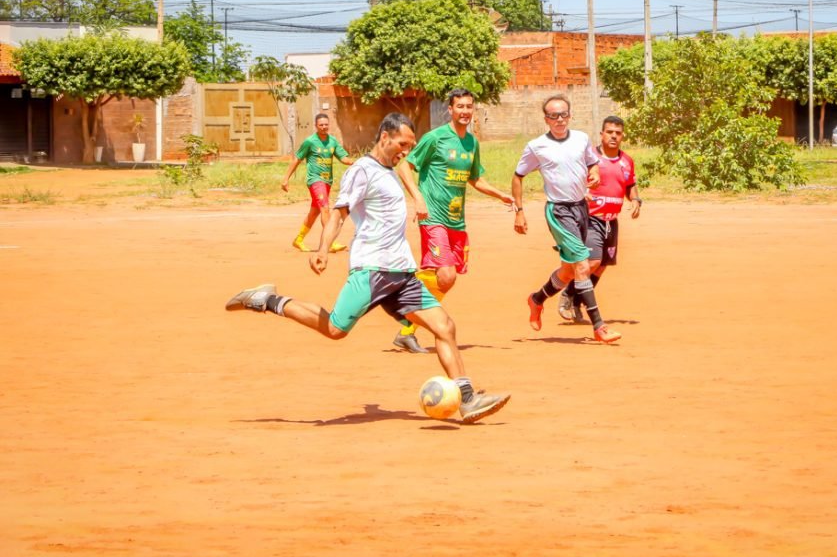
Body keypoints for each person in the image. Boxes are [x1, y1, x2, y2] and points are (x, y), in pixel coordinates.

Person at [226, 113, 510, 424]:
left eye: (411, 145)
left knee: (445, 327)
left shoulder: (392, 170)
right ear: (385, 137)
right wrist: (322, 249)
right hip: (372, 270)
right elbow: (339, 213)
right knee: (335, 329)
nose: (406, 150)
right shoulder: (362, 171)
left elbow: (406, 174)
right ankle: (268, 300)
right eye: (403, 143)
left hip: (401, 272)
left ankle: (467, 398)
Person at [392, 88, 513, 354]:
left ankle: (406, 325)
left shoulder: (472, 143)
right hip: (433, 216)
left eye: (469, 106)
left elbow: (474, 178)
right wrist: (418, 199)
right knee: (445, 273)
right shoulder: (435, 138)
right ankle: (405, 299)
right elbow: (404, 166)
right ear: (450, 109)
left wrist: (500, 194)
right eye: (460, 106)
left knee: (447, 279)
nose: (465, 111)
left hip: (456, 221)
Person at [511, 95, 622, 344]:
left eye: (563, 114)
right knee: (582, 266)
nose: (559, 119)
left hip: (582, 208)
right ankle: (599, 327)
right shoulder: (536, 146)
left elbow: (593, 164)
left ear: (570, 115)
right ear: (546, 119)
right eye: (553, 115)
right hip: (559, 212)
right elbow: (517, 176)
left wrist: (592, 174)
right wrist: (519, 210)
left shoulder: (581, 139)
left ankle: (537, 299)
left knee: (574, 268)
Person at [558, 115, 642, 323]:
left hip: (611, 221)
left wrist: (636, 200)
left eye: (618, 133)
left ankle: (577, 302)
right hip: (590, 217)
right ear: (602, 134)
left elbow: (630, 185)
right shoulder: (590, 158)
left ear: (623, 136)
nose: (614, 136)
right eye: (610, 132)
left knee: (602, 265)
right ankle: (568, 293)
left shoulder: (626, 161)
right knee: (592, 261)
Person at [282, 113, 352, 253]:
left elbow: (344, 159)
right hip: (315, 180)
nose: (324, 127)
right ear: (316, 126)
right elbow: (297, 159)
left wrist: (358, 163)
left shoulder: (332, 141)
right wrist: (286, 179)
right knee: (325, 209)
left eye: (326, 124)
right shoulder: (310, 141)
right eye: (321, 125)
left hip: (327, 181)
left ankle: (299, 239)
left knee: (314, 212)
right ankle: (330, 242)